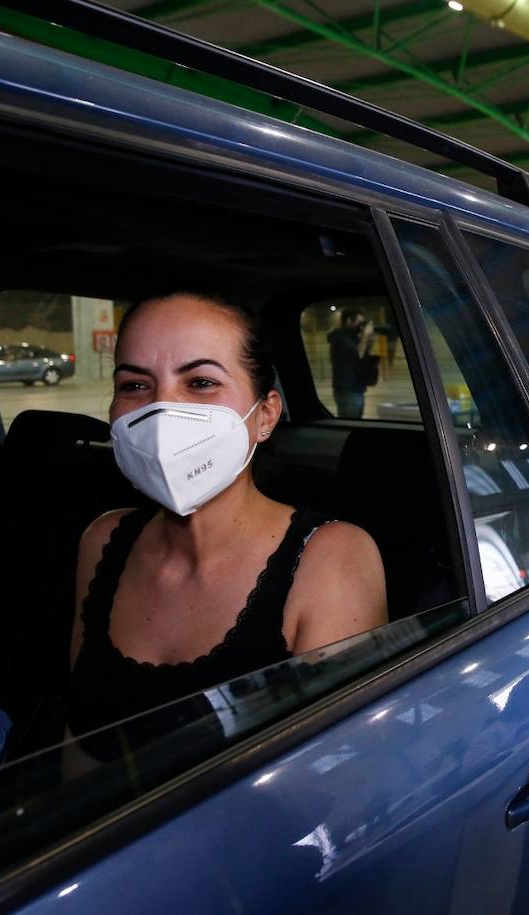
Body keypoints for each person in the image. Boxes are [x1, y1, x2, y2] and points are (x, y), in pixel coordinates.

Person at [67, 292, 387, 748]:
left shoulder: (331, 558)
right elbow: (78, 740)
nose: (162, 412)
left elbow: (334, 768)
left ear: (266, 416)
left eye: (200, 383)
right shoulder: (102, 540)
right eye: (135, 385)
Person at [327, 306, 375, 418]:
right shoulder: (339, 337)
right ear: (348, 320)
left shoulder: (352, 337)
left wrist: (369, 341)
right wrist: (364, 336)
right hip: (347, 390)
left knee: (357, 423)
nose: (361, 326)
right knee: (349, 424)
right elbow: (356, 355)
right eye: (359, 322)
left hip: (357, 388)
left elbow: (362, 356)